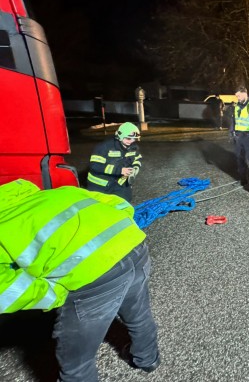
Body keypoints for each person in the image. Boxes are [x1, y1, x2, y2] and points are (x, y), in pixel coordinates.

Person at [0, 179, 160, 382]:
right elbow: (118, 203)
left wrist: (54, 292)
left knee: (76, 361)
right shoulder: (61, 192)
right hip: (134, 247)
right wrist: (121, 233)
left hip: (94, 278)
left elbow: (5, 291)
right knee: (139, 314)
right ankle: (148, 359)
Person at [87, 122, 142, 202]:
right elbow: (95, 165)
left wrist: (135, 169)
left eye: (134, 139)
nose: (131, 141)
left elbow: (137, 159)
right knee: (101, 207)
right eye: (128, 138)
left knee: (124, 202)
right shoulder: (104, 147)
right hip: (100, 185)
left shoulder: (133, 147)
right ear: (120, 136)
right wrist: (120, 170)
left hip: (119, 183)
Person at [230, 86, 249, 190]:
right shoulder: (237, 106)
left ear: (244, 93)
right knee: (239, 158)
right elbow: (234, 121)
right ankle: (243, 178)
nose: (237, 97)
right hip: (238, 136)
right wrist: (232, 133)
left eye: (238, 95)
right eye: (236, 96)